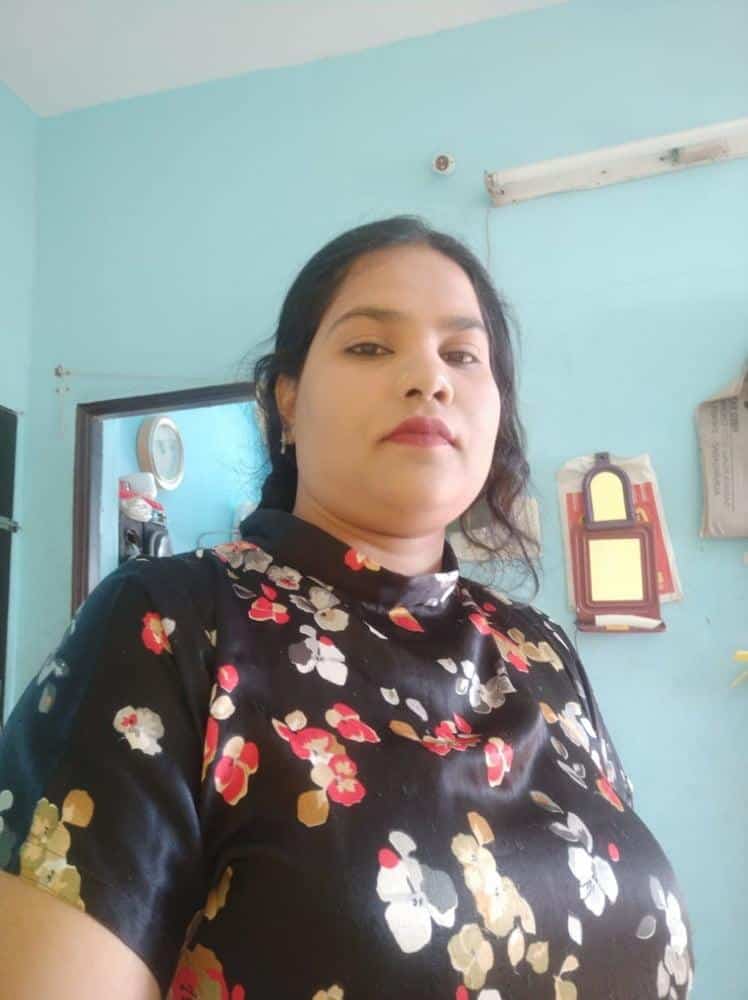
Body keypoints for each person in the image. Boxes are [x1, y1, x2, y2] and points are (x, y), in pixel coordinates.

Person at [0, 216, 695, 999]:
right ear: (287, 399)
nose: (429, 377)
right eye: (369, 346)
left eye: (462, 354)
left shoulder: (542, 649)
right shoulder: (167, 623)